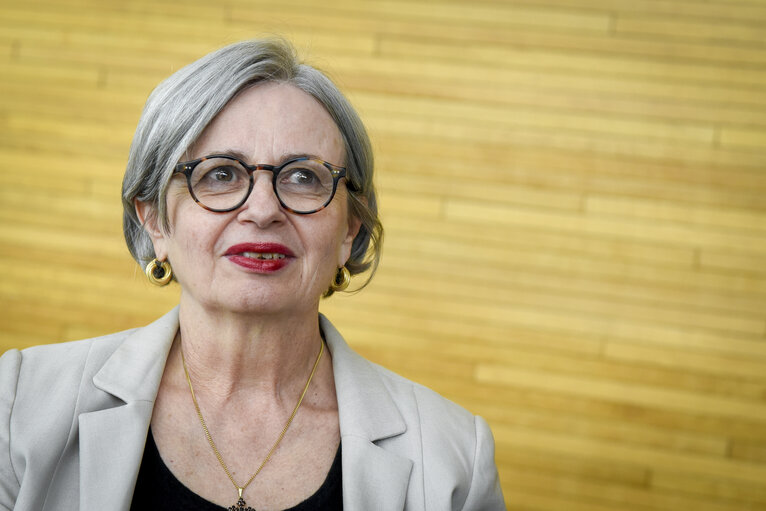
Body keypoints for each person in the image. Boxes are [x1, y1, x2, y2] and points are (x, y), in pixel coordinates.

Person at [0, 38, 505, 511]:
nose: (263, 210)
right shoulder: (19, 403)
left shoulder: (455, 456)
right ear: (154, 219)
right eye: (220, 174)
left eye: (304, 177)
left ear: (350, 227)